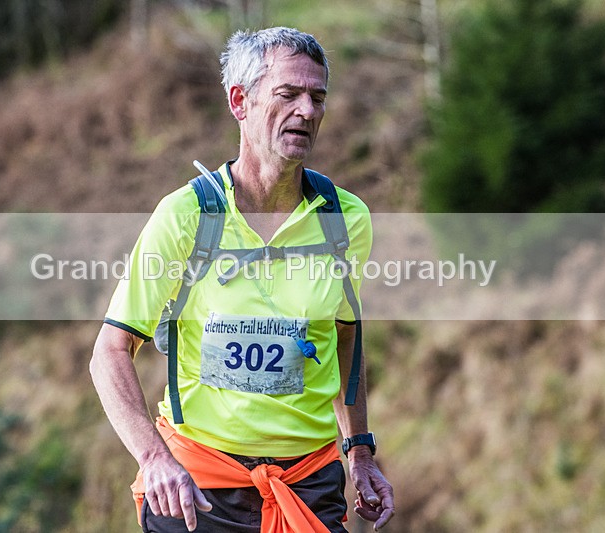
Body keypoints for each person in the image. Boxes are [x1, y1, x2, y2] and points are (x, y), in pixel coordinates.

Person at [91, 27, 394, 532]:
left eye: (318, 97)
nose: (308, 110)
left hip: (309, 487)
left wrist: (359, 453)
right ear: (240, 101)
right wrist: (153, 459)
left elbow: (344, 337)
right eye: (288, 94)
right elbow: (110, 352)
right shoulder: (187, 215)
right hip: (196, 490)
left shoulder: (346, 219)